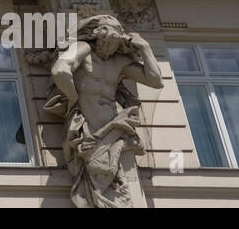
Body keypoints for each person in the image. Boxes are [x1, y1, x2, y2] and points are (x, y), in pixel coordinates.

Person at [47, 14, 163, 208]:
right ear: (96, 34)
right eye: (106, 38)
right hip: (90, 130)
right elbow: (60, 70)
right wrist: (73, 97)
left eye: (114, 41)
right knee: (100, 178)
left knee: (115, 185)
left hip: (115, 131)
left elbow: (156, 81)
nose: (109, 46)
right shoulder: (83, 49)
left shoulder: (119, 63)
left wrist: (145, 47)